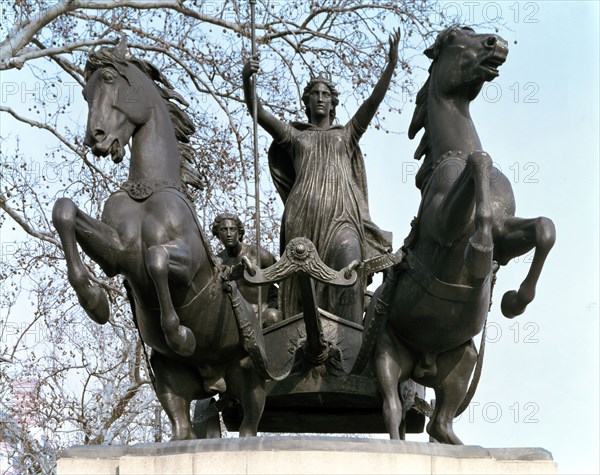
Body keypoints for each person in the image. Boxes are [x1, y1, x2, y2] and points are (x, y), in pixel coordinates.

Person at [242, 30, 400, 324]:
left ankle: (350, 338)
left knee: (350, 264)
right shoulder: (294, 136)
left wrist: (390, 66)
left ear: (333, 103)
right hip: (303, 217)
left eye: (325, 94)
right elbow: (257, 111)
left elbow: (371, 103)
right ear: (306, 100)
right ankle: (302, 339)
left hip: (342, 217)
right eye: (314, 94)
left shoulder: (346, 134)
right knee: (302, 285)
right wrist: (247, 79)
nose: (320, 98)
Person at [211, 212, 280, 327]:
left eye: (232, 229)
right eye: (224, 230)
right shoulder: (218, 262)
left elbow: (282, 278)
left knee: (273, 316)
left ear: (239, 233)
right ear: (217, 234)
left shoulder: (257, 254)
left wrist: (275, 303)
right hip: (236, 319)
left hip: (263, 313)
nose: (229, 234)